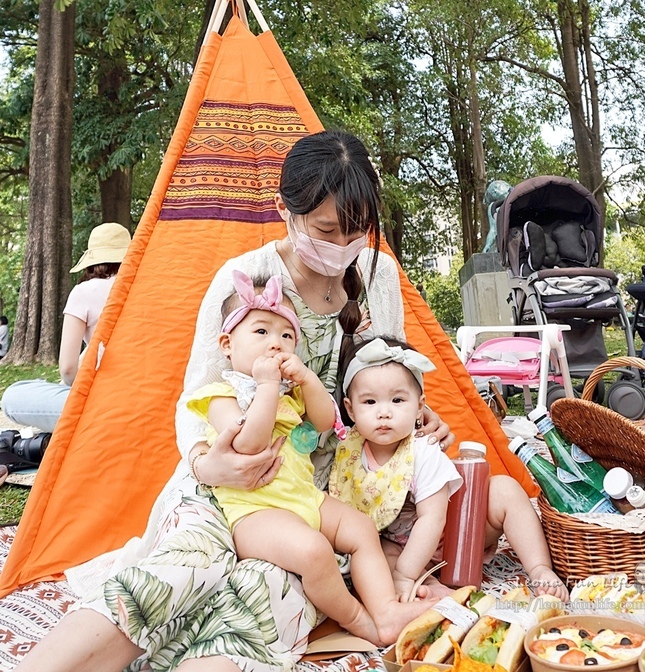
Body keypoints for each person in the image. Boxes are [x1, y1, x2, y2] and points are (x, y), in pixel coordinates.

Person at [16, 131, 452, 672]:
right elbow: (197, 395)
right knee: (174, 573)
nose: (342, 245)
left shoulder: (377, 276)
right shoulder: (244, 279)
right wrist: (208, 461)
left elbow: (384, 375)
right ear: (284, 211)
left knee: (263, 596)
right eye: (325, 230)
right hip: (227, 483)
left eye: (357, 230)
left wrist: (416, 411)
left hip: (314, 495)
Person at [187, 269, 436, 645]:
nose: (276, 344)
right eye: (261, 332)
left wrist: (307, 381)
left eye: (286, 335)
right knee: (315, 551)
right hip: (256, 512)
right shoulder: (221, 395)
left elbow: (324, 422)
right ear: (227, 343)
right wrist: (268, 387)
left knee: (360, 528)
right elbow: (249, 445)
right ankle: (361, 621)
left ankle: (386, 609)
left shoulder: (290, 394)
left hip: (306, 498)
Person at [331, 336, 570, 603]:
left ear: (420, 406)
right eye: (370, 403)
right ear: (350, 409)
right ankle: (430, 585)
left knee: (505, 490)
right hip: (401, 545)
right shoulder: (348, 452)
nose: (384, 413)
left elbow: (432, 519)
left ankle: (540, 567)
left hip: (457, 536)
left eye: (397, 400)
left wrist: (404, 575)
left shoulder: (423, 451)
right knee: (375, 553)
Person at [2, 223, 131, 432]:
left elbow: (68, 369)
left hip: (105, 405)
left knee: (13, 396)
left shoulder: (84, 291)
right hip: (145, 399)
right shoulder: (147, 292)